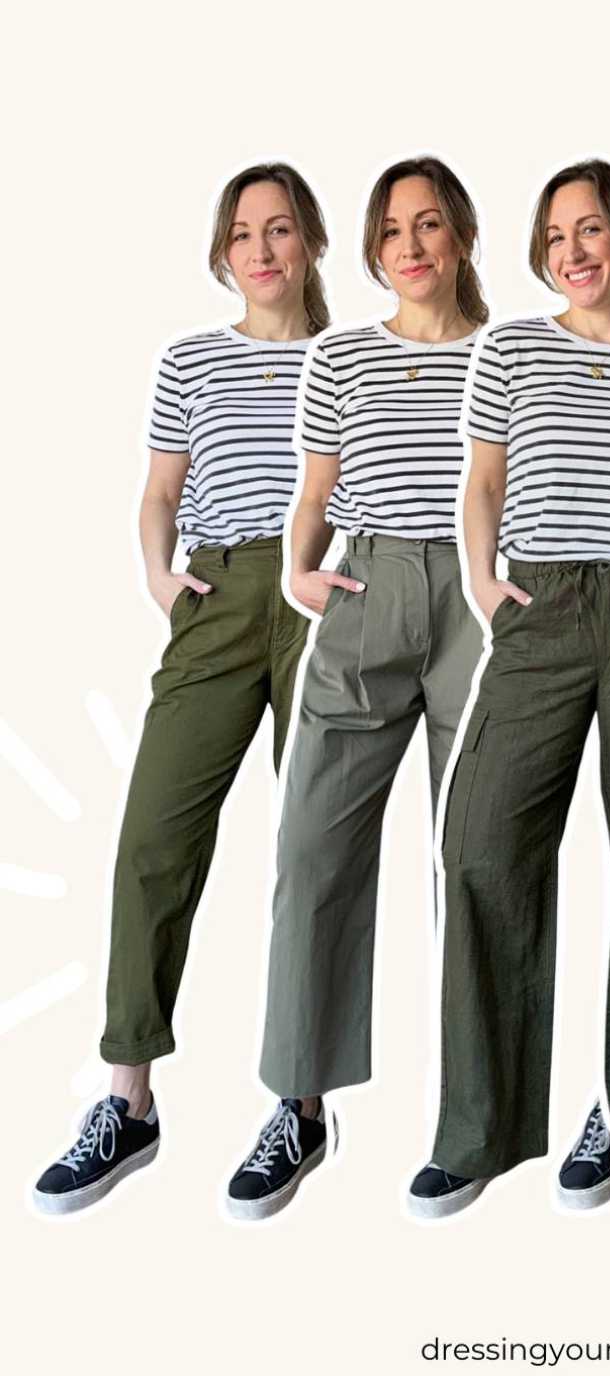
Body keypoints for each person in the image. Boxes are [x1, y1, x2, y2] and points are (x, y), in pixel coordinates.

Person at [407, 159, 610, 1218]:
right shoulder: (510, 346)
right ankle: (478, 1129)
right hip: (538, 611)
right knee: (482, 841)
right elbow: (485, 477)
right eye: (554, 237)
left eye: (590, 230)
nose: (573, 252)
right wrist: (485, 584)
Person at [33, 163, 330, 1215]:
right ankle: (129, 1098)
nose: (261, 249)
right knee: (154, 839)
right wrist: (164, 579)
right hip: (216, 592)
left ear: (309, 247)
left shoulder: (347, 360)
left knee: (311, 849)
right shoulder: (191, 361)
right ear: (222, 253)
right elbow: (158, 490)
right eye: (243, 233)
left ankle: (298, 1106)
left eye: (281, 230)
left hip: (322, 600)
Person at [227, 158, 489, 1219]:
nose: (411, 245)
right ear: (374, 251)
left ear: (461, 235)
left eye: (429, 224)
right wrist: (299, 565)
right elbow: (318, 483)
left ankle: (473, 1117)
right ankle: (300, 1104)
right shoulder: (338, 357)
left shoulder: (505, 352)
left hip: (478, 603)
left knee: (476, 859)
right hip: (365, 585)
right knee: (310, 846)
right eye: (391, 230)